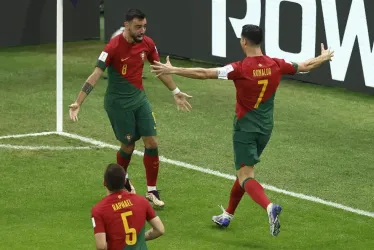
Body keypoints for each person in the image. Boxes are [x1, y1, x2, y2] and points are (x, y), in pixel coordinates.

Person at [150, 24, 334, 236]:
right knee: (244, 171)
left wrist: (173, 70)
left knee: (246, 175)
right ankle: (227, 215)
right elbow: (305, 66)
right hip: (265, 128)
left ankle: (269, 207)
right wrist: (323, 57)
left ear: (244, 41)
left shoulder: (240, 68)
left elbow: (204, 73)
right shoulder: (276, 64)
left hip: (245, 128)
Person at [69, 9, 192, 208]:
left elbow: (159, 69)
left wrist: (175, 91)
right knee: (128, 146)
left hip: (139, 99)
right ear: (126, 25)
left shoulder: (147, 43)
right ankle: (120, 181)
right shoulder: (113, 47)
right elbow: (95, 75)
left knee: (151, 142)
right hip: (118, 105)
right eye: (138, 27)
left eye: (144, 26)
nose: (142, 30)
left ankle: (152, 190)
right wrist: (78, 101)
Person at [91, 163, 165, 250]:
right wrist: (136, 239)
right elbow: (160, 230)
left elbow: (101, 246)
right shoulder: (141, 201)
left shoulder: (98, 210)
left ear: (104, 182)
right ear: (125, 182)